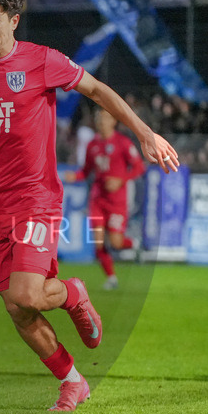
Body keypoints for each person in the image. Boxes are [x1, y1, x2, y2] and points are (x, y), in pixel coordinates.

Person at [0, 0, 178, 411]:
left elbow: (97, 90)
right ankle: (72, 380)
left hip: (34, 199)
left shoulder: (42, 61)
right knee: (17, 309)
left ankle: (73, 293)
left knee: (28, 294)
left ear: (13, 20)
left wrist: (144, 132)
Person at [64, 108, 146, 290]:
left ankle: (135, 244)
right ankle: (111, 278)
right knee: (98, 242)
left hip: (117, 201)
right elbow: (86, 172)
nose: (101, 122)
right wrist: (74, 177)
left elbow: (139, 167)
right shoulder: (92, 144)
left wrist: (120, 180)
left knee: (116, 243)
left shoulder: (122, 142)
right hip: (97, 200)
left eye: (105, 118)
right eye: (98, 118)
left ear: (113, 121)